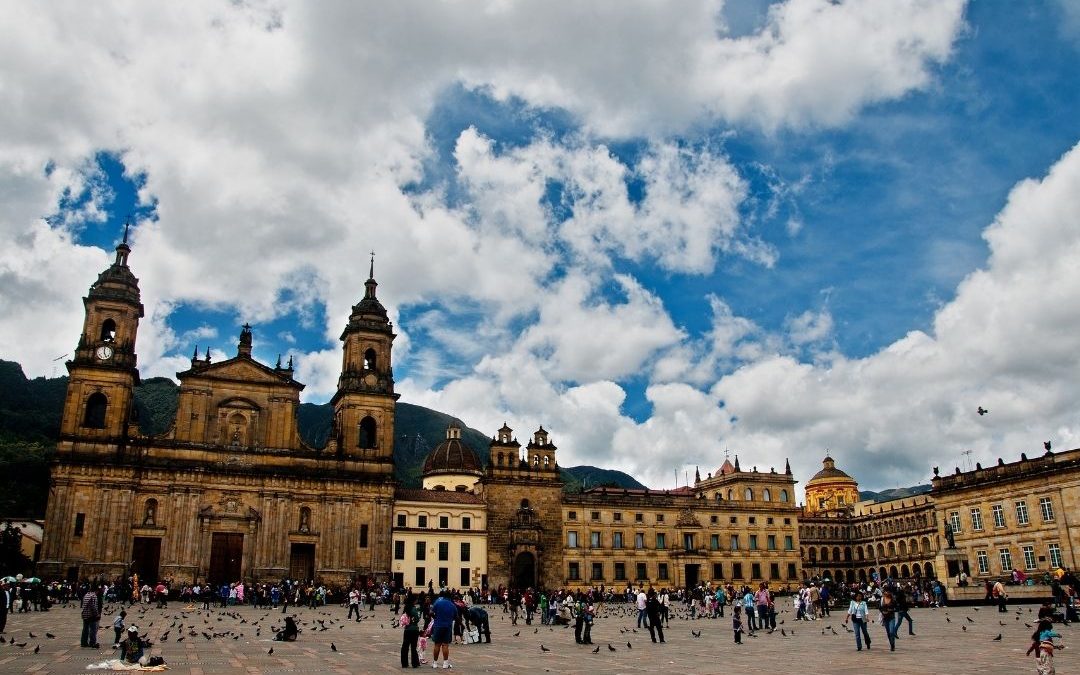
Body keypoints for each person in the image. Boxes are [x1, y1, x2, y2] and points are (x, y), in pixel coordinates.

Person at [430, 590, 456, 669]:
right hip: (447, 626)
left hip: (438, 625)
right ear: (450, 596)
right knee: (445, 645)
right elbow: (456, 616)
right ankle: (445, 663)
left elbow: (431, 612)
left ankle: (435, 663)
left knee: (437, 644)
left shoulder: (438, 602)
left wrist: (436, 618)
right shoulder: (452, 605)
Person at [400, 594, 422, 668]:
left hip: (407, 629)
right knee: (413, 647)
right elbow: (417, 619)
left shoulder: (406, 608)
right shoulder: (414, 609)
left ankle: (404, 663)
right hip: (414, 629)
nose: (417, 601)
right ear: (413, 600)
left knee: (405, 646)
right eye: (416, 600)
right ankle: (414, 663)